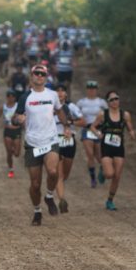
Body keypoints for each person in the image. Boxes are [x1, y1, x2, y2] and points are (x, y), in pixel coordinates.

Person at [12, 65, 71, 226]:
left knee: (53, 172)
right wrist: (19, 120)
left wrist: (66, 126)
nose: (39, 76)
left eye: (42, 74)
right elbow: (14, 118)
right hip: (32, 144)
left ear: (46, 77)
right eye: (36, 73)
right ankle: (37, 211)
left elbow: (59, 111)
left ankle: (50, 196)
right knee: (35, 184)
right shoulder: (25, 97)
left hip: (50, 141)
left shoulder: (52, 95)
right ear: (31, 76)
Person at [90, 91, 135, 211]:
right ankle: (103, 170)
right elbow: (93, 126)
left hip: (119, 147)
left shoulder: (125, 114)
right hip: (106, 146)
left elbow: (129, 127)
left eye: (117, 98)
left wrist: (131, 132)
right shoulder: (103, 114)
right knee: (109, 174)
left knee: (117, 176)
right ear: (108, 102)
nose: (115, 101)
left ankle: (110, 200)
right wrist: (98, 133)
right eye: (112, 99)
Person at [54, 84, 86, 213]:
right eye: (58, 91)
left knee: (65, 174)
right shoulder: (49, 107)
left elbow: (83, 122)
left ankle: (58, 188)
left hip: (69, 142)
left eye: (63, 91)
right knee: (59, 175)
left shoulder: (71, 107)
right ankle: (62, 200)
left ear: (66, 94)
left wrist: (70, 122)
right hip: (55, 141)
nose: (60, 93)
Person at [76, 81, 108, 188]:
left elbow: (108, 116)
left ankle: (102, 169)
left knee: (99, 156)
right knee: (90, 155)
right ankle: (93, 178)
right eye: (89, 88)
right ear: (87, 89)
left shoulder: (102, 102)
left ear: (97, 90)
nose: (91, 90)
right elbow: (76, 115)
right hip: (87, 130)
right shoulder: (81, 102)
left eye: (94, 88)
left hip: (98, 130)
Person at [0, 89, 22, 178]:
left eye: (12, 97)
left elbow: (23, 116)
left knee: (17, 154)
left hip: (17, 130)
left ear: (15, 98)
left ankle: (14, 149)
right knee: (9, 152)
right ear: (7, 97)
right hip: (8, 131)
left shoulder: (18, 106)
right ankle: (10, 169)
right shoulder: (3, 107)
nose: (11, 98)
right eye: (9, 96)